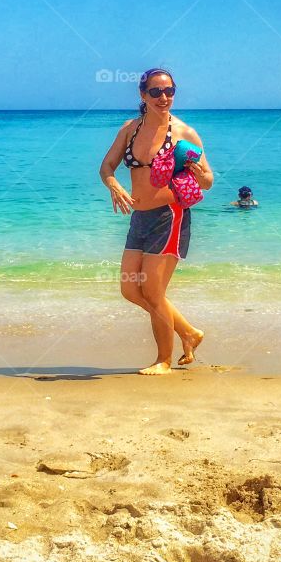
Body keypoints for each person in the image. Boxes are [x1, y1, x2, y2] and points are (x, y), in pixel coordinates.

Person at [99, 68, 213, 375]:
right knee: (129, 289)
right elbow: (106, 167)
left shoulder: (184, 133)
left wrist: (196, 171)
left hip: (169, 215)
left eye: (169, 91)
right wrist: (115, 186)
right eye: (155, 92)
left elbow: (208, 181)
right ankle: (188, 332)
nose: (163, 98)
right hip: (139, 217)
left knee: (152, 291)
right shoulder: (130, 129)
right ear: (142, 94)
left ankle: (164, 359)